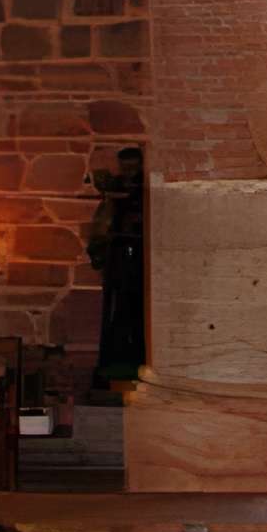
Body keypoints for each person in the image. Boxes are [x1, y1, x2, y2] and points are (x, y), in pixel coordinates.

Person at [86, 144, 145, 386]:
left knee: (138, 311)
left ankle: (137, 358)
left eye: (133, 167)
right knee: (116, 310)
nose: (129, 172)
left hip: (139, 258)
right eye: (125, 167)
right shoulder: (116, 188)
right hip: (119, 258)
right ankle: (114, 360)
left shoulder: (143, 190)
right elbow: (103, 221)